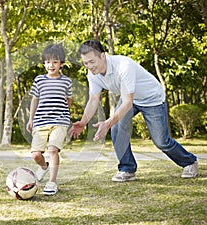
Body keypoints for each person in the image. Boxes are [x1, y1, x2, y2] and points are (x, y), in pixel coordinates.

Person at [69, 39, 198, 182]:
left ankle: (190, 162)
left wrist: (108, 122)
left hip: (151, 99)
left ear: (103, 56)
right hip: (131, 98)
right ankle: (127, 169)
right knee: (117, 129)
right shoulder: (93, 74)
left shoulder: (123, 66)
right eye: (85, 63)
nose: (89, 66)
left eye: (92, 62)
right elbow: (93, 99)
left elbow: (127, 103)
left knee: (161, 141)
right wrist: (83, 121)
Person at [26, 44, 72, 195]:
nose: (50, 65)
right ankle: (44, 166)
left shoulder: (66, 81)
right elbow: (35, 100)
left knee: (53, 150)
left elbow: (68, 100)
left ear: (61, 64)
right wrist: (31, 119)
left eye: (55, 62)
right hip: (41, 122)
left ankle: (52, 182)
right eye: (47, 62)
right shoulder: (39, 80)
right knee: (36, 155)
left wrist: (65, 115)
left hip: (60, 121)